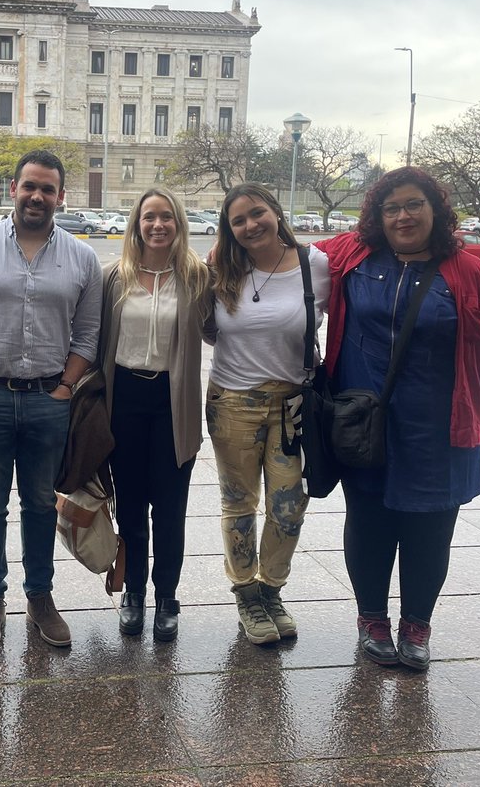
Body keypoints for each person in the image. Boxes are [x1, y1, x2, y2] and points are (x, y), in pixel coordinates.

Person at [316, 166, 480, 671]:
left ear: (435, 211)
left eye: (413, 205)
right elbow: (278, 251)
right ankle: (372, 620)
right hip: (364, 421)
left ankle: (417, 625)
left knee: (430, 530)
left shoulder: (469, 271)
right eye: (391, 208)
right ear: (377, 216)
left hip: (440, 425)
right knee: (367, 522)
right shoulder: (354, 256)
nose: (402, 216)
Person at [0, 149, 102, 650]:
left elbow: (88, 333)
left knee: (40, 503)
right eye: (29, 186)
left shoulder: (82, 258)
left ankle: (40, 595)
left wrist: (64, 389)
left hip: (48, 400)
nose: (37, 196)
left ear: (61, 196)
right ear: (13, 188)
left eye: (48, 189)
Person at [205, 183, 330, 645]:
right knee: (238, 502)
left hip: (292, 406)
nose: (250, 225)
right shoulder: (221, 268)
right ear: (228, 230)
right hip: (232, 403)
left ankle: (271, 588)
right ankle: (245, 593)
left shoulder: (315, 265)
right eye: (238, 221)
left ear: (276, 212)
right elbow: (205, 326)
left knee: (289, 505)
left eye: (257, 213)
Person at [99, 188, 210, 642]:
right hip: (123, 398)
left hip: (172, 401)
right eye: (149, 217)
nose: (158, 225)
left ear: (179, 224)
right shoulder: (114, 277)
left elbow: (227, 325)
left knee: (170, 507)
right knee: (130, 505)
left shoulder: (197, 278)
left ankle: (167, 595)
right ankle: (134, 595)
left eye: (167, 217)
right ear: (137, 224)